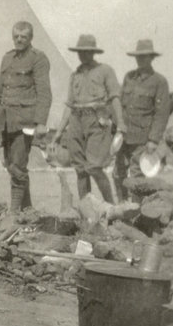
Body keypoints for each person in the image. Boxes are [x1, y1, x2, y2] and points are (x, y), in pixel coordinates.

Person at [50, 35, 123, 202]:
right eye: (80, 52)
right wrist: (59, 133)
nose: (83, 55)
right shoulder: (75, 75)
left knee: (94, 167)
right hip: (76, 121)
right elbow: (69, 105)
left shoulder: (105, 71)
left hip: (97, 120)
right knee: (80, 169)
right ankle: (86, 211)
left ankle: (110, 206)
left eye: (87, 52)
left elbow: (115, 98)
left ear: (93, 52)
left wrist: (121, 125)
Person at [0, 21, 52, 211]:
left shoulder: (38, 59)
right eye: (16, 36)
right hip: (6, 121)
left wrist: (41, 122)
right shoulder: (7, 58)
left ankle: (14, 213)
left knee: (17, 166)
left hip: (24, 121)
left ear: (30, 38)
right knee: (12, 165)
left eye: (23, 37)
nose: (19, 39)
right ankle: (27, 209)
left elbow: (44, 92)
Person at [115, 39, 170, 199]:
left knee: (137, 176)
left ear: (151, 58)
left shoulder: (159, 82)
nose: (140, 60)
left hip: (142, 139)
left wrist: (153, 140)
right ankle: (122, 209)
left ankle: (136, 214)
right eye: (138, 57)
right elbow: (121, 105)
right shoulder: (129, 77)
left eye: (144, 57)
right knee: (118, 174)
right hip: (124, 137)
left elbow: (162, 114)